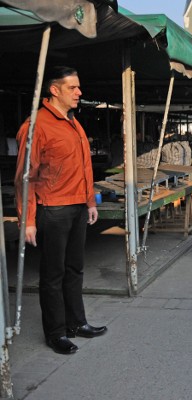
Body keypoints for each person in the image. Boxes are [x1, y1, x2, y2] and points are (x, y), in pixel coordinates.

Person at [14, 66, 107, 355]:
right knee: (53, 275)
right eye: (73, 88)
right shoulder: (36, 125)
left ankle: (76, 323)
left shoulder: (73, 122)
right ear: (54, 90)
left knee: (74, 269)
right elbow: (24, 177)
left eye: (78, 87)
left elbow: (84, 167)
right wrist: (28, 220)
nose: (79, 92)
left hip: (78, 207)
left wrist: (90, 201)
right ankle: (55, 333)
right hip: (52, 209)